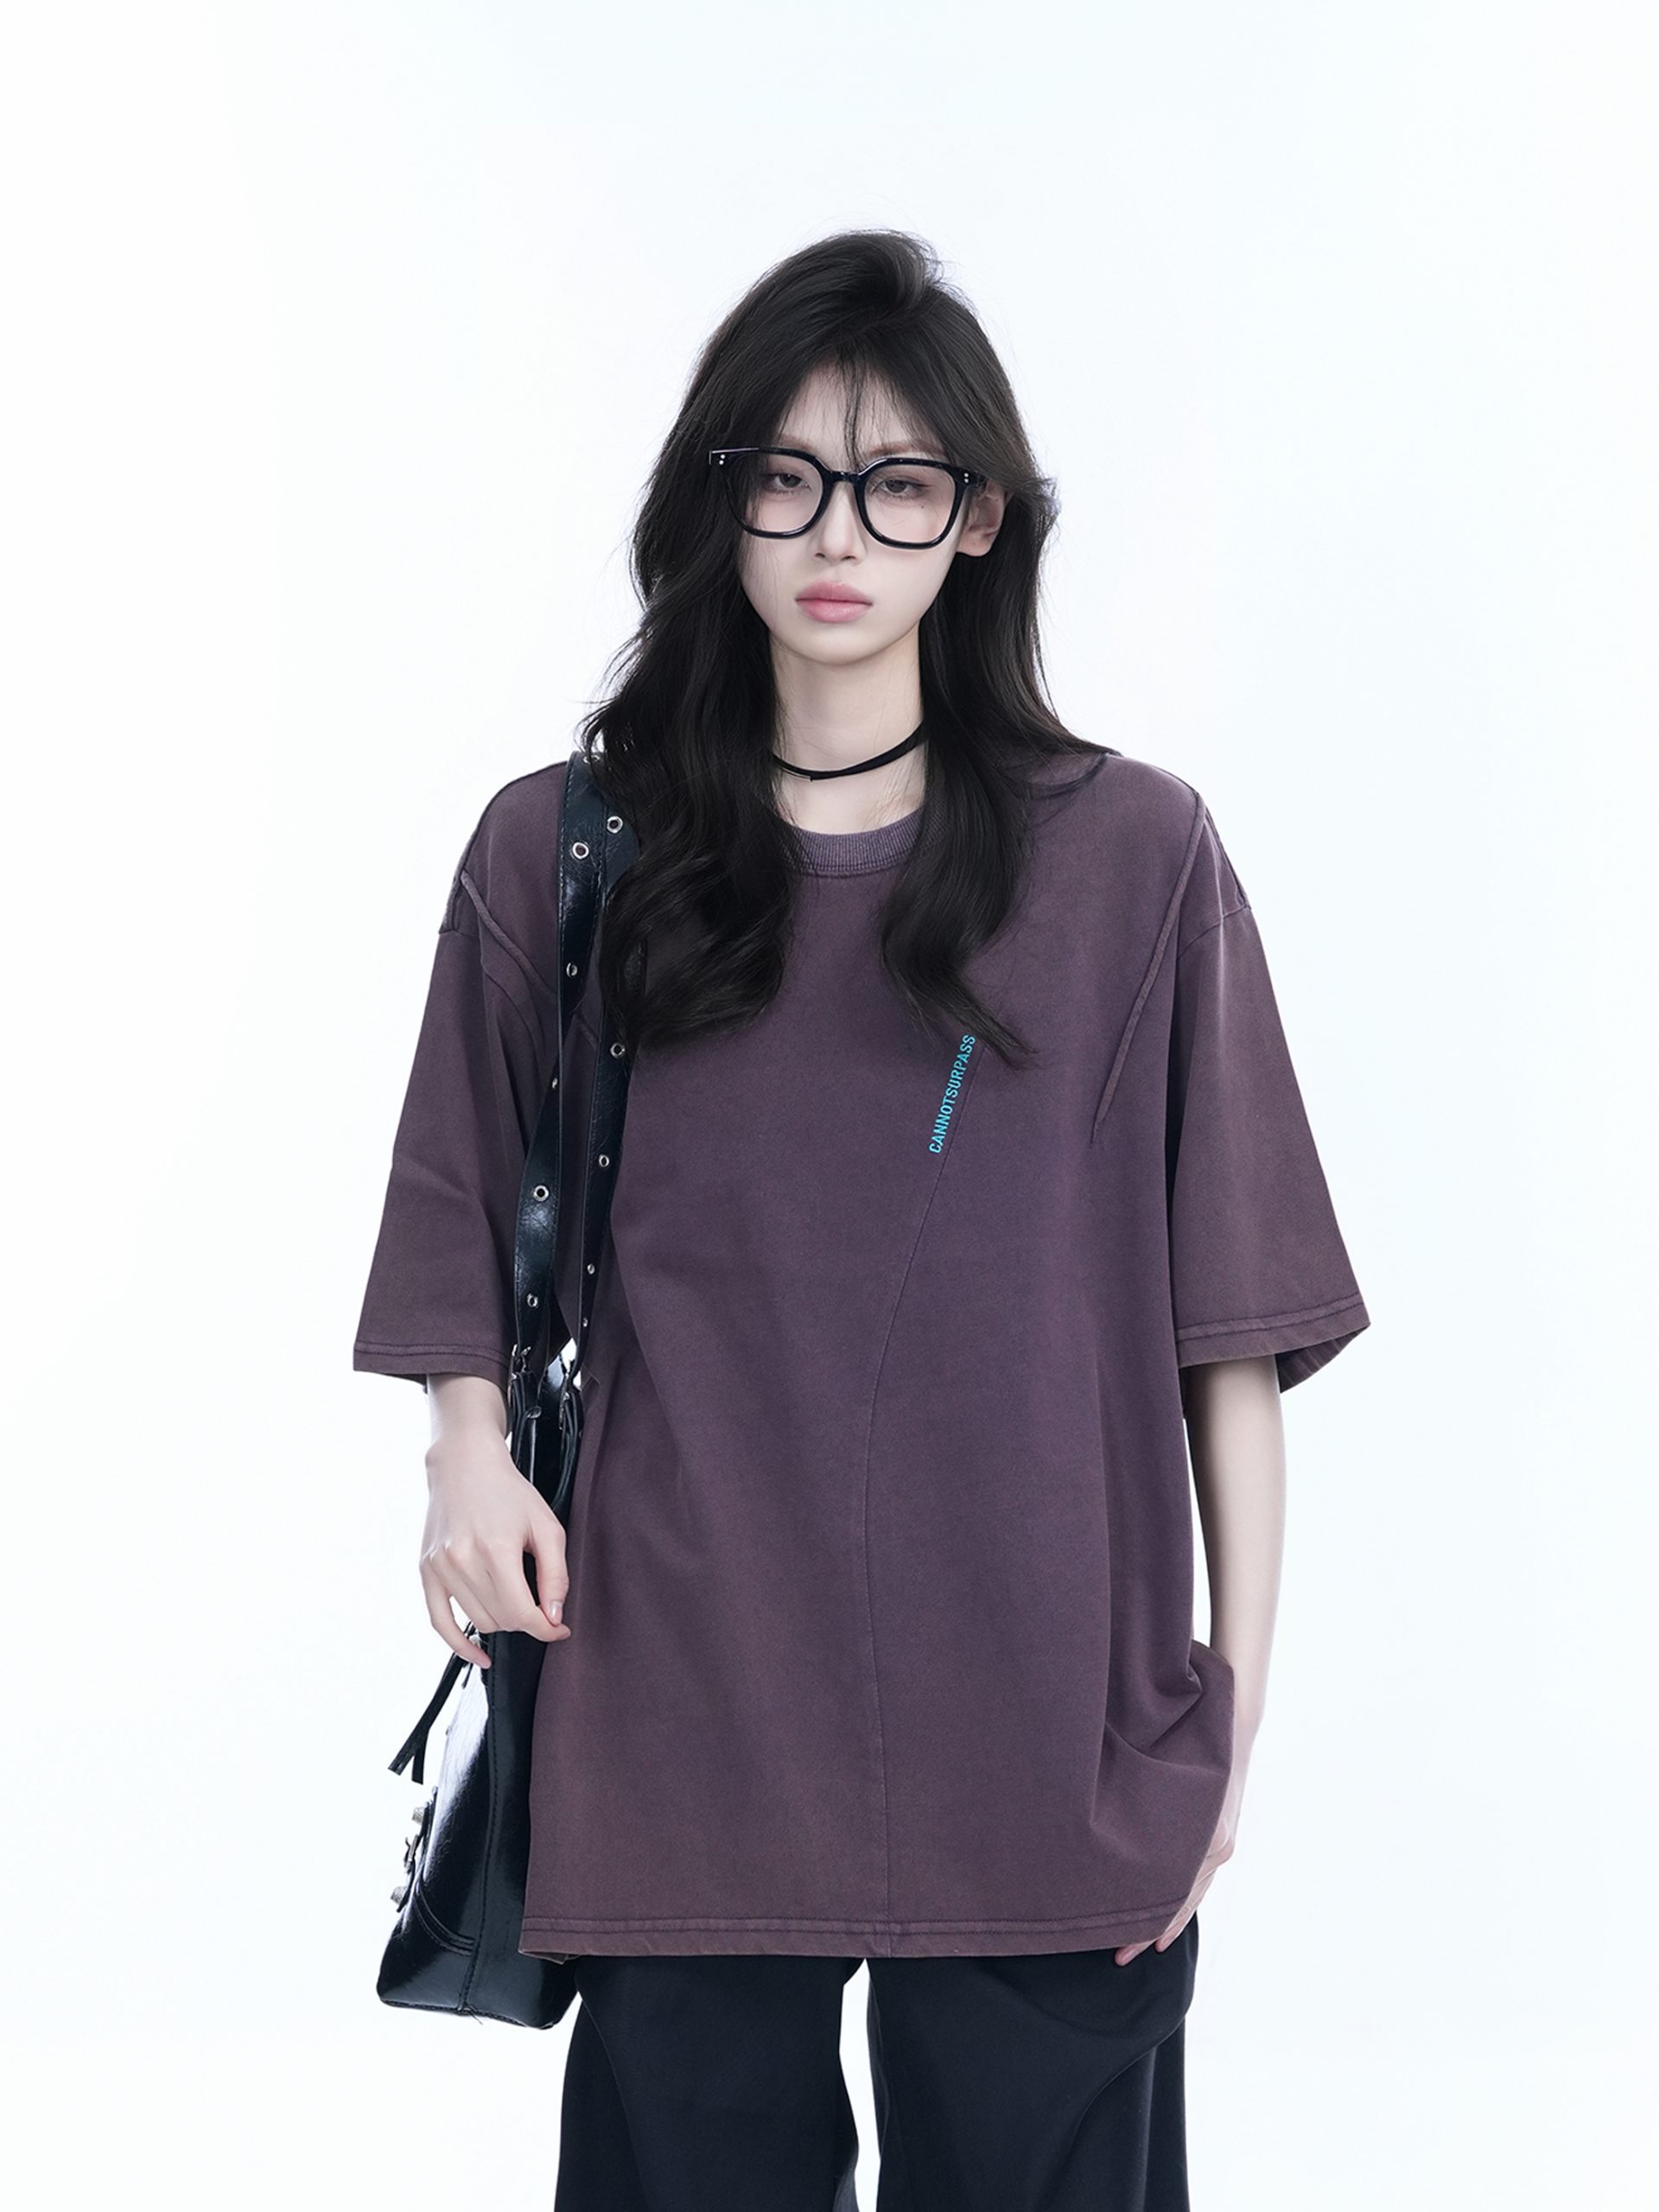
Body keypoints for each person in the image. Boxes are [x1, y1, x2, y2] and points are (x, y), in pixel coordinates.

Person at [353, 229, 1370, 2211]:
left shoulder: (1133, 856)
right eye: (790, 476)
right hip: (681, 1691)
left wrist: (1224, 1731)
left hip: (1050, 1716)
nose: (840, 531)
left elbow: (1232, 1338)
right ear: (720, 495)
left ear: (978, 518)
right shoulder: (570, 852)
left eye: (900, 481)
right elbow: (455, 1201)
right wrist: (464, 1451)